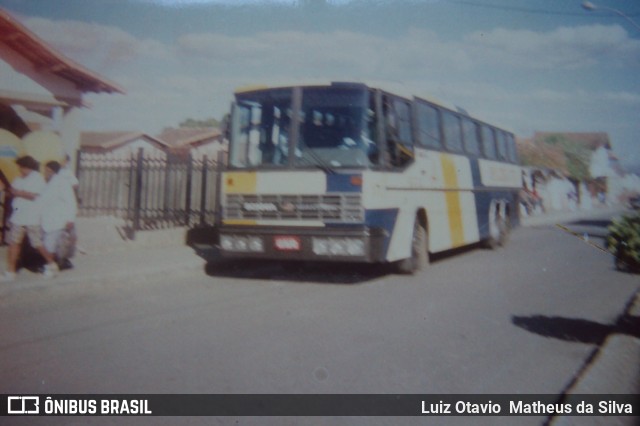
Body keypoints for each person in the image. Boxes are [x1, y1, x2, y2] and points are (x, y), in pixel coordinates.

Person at [2, 156, 58, 281]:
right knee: (13, 243)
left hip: (32, 217)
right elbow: (13, 192)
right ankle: (10, 272)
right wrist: (9, 192)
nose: (20, 170)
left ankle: (52, 264)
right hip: (18, 217)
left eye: (22, 167)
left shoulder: (37, 178)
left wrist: (19, 193)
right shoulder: (18, 179)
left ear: (28, 167)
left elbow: (35, 196)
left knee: (37, 243)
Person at [39, 161, 78, 270]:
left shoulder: (62, 182)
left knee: (50, 244)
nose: (45, 173)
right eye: (45, 170)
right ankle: (52, 264)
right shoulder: (48, 183)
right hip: (48, 218)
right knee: (48, 243)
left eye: (48, 170)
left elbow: (71, 202)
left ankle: (50, 266)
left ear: (53, 171)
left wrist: (70, 219)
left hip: (58, 218)